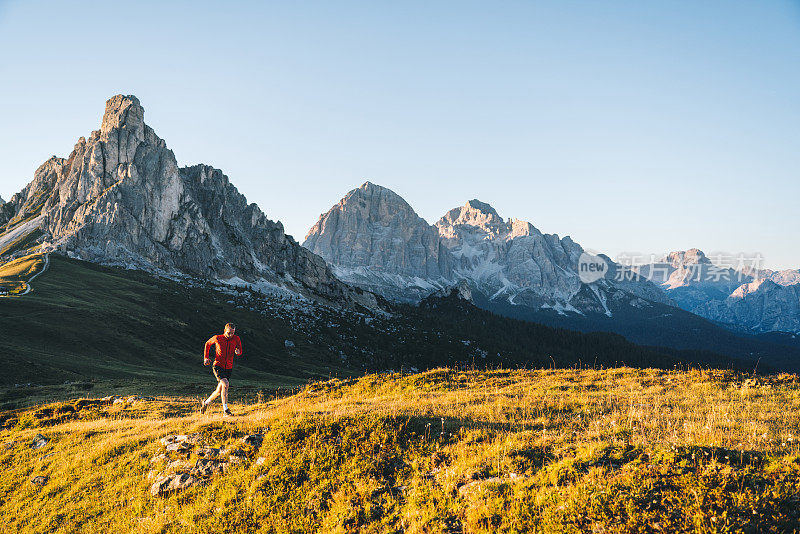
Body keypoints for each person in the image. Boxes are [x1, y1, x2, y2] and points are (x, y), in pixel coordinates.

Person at [199, 322, 242, 416]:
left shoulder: (236, 338)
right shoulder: (218, 338)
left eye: (232, 333)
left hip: (229, 367)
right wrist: (206, 357)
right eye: (228, 333)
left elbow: (239, 350)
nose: (230, 335)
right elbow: (207, 344)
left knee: (219, 391)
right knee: (226, 384)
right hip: (218, 365)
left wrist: (238, 352)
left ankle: (205, 403)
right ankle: (226, 411)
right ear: (224, 331)